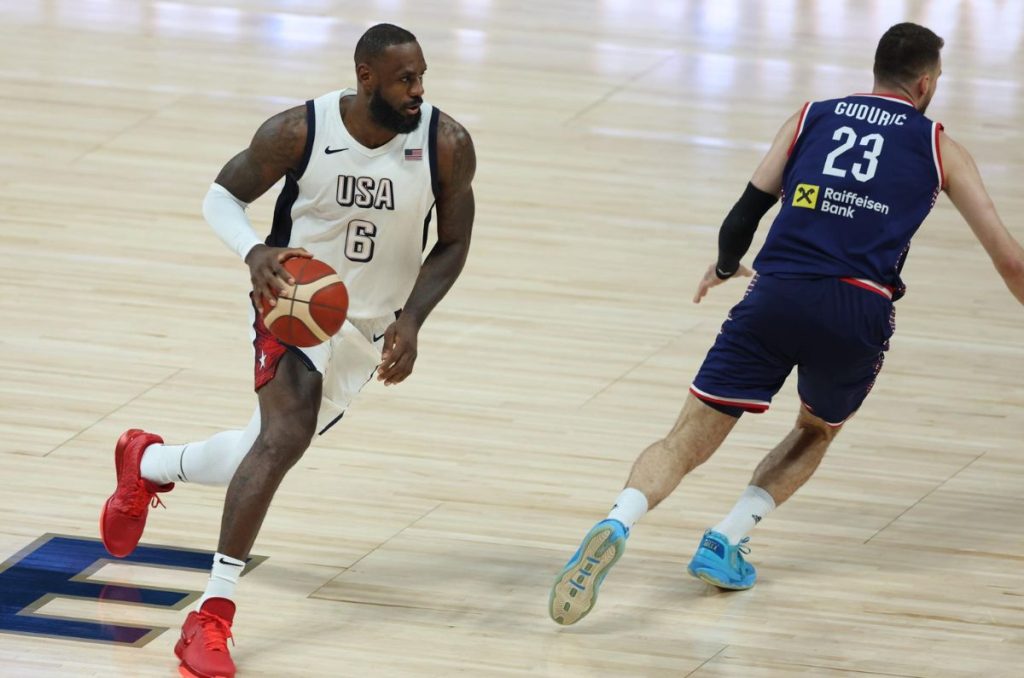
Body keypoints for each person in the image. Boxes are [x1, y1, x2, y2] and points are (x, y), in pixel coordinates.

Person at [549, 22, 1024, 626]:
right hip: (857, 307)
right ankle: (726, 538)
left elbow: (744, 212)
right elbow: (1010, 260)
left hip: (774, 293)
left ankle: (617, 519)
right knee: (814, 430)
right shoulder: (941, 147)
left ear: (875, 69)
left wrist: (724, 266)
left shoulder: (811, 117)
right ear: (926, 83)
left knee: (684, 440)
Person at [99, 23, 476, 676]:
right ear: (366, 77)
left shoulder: (444, 143)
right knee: (282, 439)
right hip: (294, 309)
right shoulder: (298, 133)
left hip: (367, 327)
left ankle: (150, 462)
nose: (418, 90)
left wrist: (413, 320)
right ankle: (209, 619)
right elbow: (222, 195)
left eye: (421, 77)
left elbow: (452, 241)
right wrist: (254, 252)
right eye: (404, 79)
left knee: (259, 451)